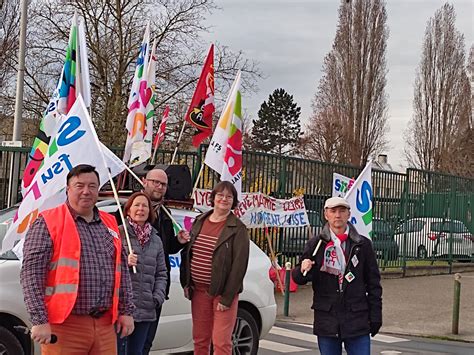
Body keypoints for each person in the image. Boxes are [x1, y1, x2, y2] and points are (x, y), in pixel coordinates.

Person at [20, 164, 135, 355]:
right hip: (64, 326)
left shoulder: (109, 223)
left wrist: (126, 311)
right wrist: (39, 320)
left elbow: (121, 270)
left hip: (105, 325)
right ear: (67, 189)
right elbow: (31, 276)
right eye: (79, 185)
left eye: (92, 186)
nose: (86, 191)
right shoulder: (48, 222)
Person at [292, 196, 382, 355]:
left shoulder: (362, 245)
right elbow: (299, 278)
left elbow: (374, 283)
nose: (337, 215)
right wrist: (302, 269)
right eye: (333, 211)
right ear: (326, 215)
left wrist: (375, 315)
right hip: (327, 319)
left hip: (357, 318)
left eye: (342, 211)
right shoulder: (316, 244)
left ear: (349, 214)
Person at [180, 181, 250, 355]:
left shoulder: (238, 229)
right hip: (199, 292)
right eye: (220, 195)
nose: (224, 199)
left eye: (229, 196)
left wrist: (227, 298)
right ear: (213, 197)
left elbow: (239, 266)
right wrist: (186, 282)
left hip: (222, 294)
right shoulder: (199, 221)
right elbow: (188, 253)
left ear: (233, 201)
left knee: (221, 343)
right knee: (200, 340)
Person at [141, 168, 190, 354]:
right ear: (145, 181)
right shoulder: (132, 209)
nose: (159, 187)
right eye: (156, 182)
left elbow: (166, 249)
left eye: (163, 184)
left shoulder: (165, 213)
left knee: (146, 342)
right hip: (135, 288)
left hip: (157, 288)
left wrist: (178, 241)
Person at [117, 192, 167, 355]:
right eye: (136, 205)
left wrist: (157, 298)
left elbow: (161, 273)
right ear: (128, 210)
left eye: (145, 205)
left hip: (146, 308)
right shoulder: (118, 234)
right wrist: (123, 261)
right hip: (122, 309)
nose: (141, 209)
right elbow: (106, 266)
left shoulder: (156, 239)